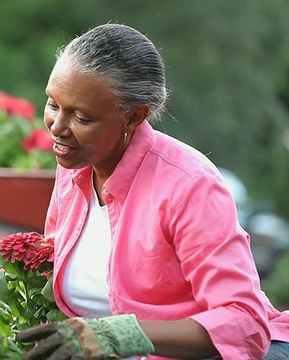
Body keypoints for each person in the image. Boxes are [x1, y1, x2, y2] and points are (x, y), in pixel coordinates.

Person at [15, 23, 289, 360]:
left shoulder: (189, 184)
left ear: (133, 117)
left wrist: (120, 334)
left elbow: (244, 322)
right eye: (53, 105)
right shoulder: (76, 165)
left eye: (81, 117)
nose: (57, 127)